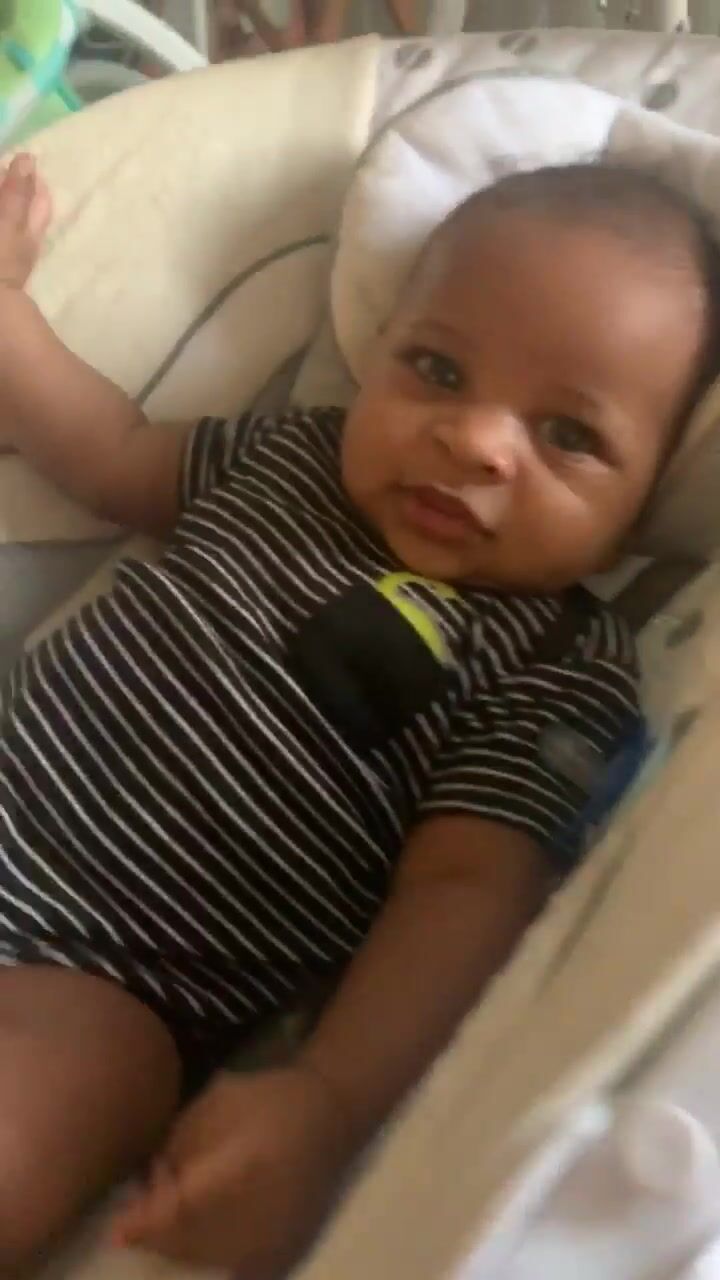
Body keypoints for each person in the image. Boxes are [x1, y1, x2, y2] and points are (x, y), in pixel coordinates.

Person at [0, 151, 716, 1275]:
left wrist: (328, 1101)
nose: (475, 440)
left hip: (109, 979)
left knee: (45, 1118)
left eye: (569, 436)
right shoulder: (292, 459)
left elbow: (467, 889)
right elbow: (111, 454)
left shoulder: (561, 662)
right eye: (438, 368)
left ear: (646, 501)